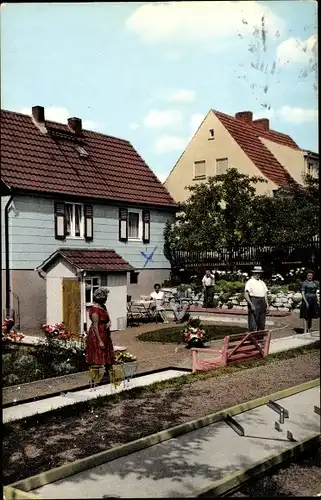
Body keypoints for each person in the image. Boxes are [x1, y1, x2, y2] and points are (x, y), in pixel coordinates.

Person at [85, 287, 115, 382]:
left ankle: (107, 376)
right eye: (105, 297)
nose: (106, 299)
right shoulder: (94, 310)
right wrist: (100, 341)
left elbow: (108, 317)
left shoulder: (103, 307)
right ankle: (94, 379)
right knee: (97, 355)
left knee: (106, 354)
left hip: (105, 333)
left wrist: (109, 322)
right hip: (97, 335)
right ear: (100, 298)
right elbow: (95, 326)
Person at [244, 266, 269, 332]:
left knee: (261, 321)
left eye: (259, 273)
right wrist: (251, 304)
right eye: (256, 273)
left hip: (262, 301)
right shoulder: (250, 282)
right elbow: (246, 294)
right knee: (253, 321)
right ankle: (253, 337)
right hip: (254, 300)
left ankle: (260, 337)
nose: (258, 275)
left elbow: (265, 294)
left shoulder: (262, 282)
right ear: (253, 273)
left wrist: (267, 304)